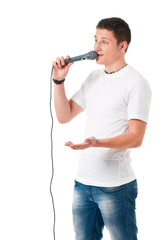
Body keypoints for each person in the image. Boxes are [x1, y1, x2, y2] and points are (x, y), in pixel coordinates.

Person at [52, 17, 151, 240]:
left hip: (116, 187)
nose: (96, 47)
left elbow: (136, 138)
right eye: (95, 40)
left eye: (104, 42)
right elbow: (64, 115)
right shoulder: (93, 78)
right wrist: (59, 82)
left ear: (122, 46)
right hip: (83, 184)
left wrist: (98, 142)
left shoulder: (136, 83)